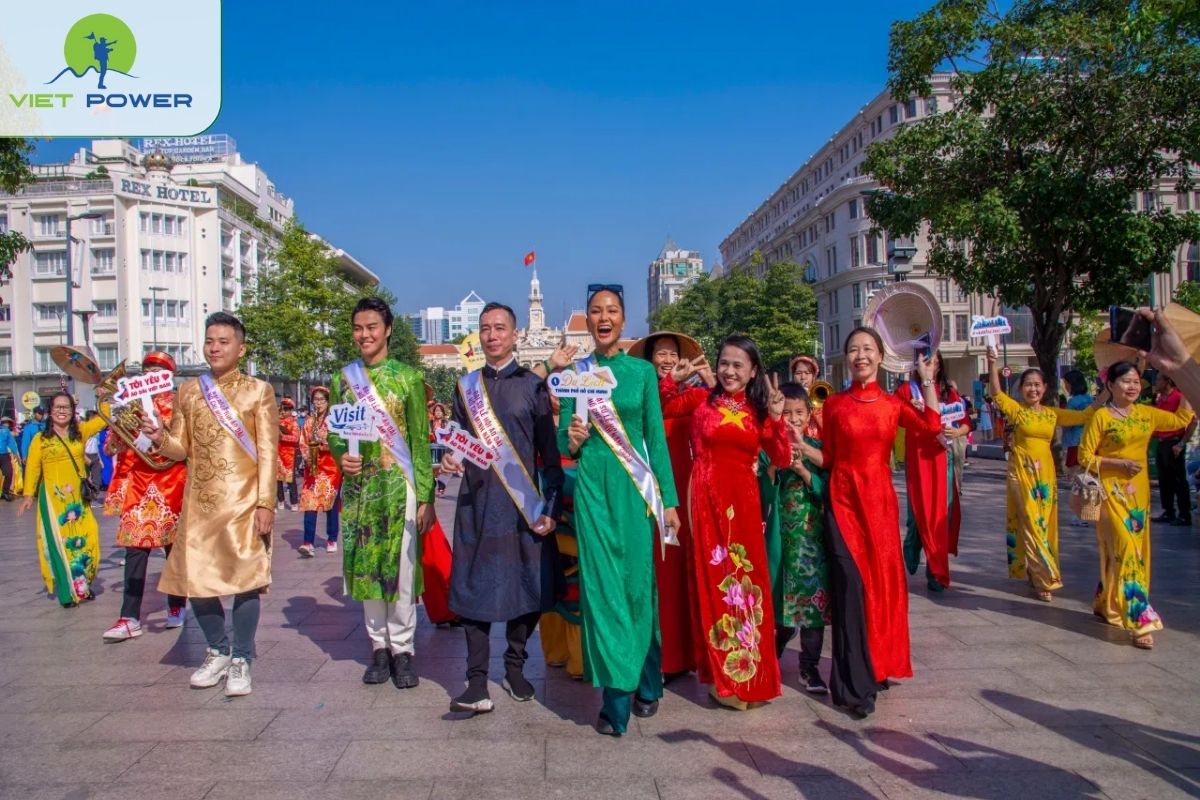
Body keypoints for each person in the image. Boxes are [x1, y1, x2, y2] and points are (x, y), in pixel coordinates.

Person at [556, 284, 681, 737]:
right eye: (594, 310)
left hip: (634, 488)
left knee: (636, 584)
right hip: (592, 486)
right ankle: (615, 700)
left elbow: (656, 439)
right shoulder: (577, 373)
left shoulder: (642, 373)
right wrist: (568, 438)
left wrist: (668, 500)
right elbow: (560, 439)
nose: (603, 317)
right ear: (587, 320)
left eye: (611, 310)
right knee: (603, 587)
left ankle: (648, 680)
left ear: (623, 321)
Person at [141, 312, 279, 697]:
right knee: (197, 582)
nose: (215, 347)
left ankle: (241, 658)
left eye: (223, 341)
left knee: (246, 581)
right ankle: (217, 649)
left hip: (243, 503)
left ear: (240, 347)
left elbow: (268, 452)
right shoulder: (188, 392)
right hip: (199, 505)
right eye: (209, 341)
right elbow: (179, 448)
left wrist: (265, 503)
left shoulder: (258, 391)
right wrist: (157, 436)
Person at [439, 302, 563, 714]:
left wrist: (551, 505)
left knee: (526, 588)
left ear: (514, 334)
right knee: (473, 590)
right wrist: (449, 457)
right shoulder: (465, 387)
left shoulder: (532, 386)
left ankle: (514, 666)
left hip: (521, 508)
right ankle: (476, 681)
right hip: (477, 504)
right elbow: (455, 438)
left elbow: (549, 456)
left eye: (499, 328)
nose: (492, 335)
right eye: (485, 329)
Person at [659, 335, 789, 710]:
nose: (730, 371)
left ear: (752, 372)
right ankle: (723, 680)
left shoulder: (759, 412)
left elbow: (779, 457)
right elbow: (663, 408)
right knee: (714, 588)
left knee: (749, 588)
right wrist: (675, 379)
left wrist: (778, 419)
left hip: (743, 510)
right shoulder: (701, 401)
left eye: (738, 365)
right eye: (725, 363)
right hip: (704, 505)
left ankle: (753, 678)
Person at [821, 327, 942, 718]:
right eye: (853, 349)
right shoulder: (833, 406)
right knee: (852, 588)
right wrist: (797, 445)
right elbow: (829, 459)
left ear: (880, 356)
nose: (860, 355)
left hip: (880, 507)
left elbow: (932, 428)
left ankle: (876, 665)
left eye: (868, 349)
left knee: (881, 587)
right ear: (846, 357)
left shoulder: (893, 405)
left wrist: (927, 384)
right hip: (842, 505)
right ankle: (853, 687)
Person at [329, 297, 435, 689]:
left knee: (403, 570)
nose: (364, 335)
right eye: (358, 328)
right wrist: (343, 457)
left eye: (372, 327)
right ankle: (378, 647)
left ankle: (404, 648)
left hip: (400, 487)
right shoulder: (344, 378)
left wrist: (425, 496)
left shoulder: (408, 379)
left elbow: (421, 442)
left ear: (388, 329)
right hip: (360, 489)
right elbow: (334, 433)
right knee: (366, 567)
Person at [1079, 360, 1194, 650]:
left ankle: (1106, 600)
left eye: (1136, 381)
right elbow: (1084, 457)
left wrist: (1189, 380)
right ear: (1110, 385)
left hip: (1138, 496)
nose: (1132, 386)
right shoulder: (1102, 417)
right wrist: (1116, 463)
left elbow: (1181, 420)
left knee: (1132, 552)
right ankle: (1140, 620)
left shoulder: (1147, 414)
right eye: (1125, 381)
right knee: (1127, 551)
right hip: (1109, 494)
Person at [986, 348, 1101, 602]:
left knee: (1044, 525)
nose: (1033, 390)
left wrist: (1109, 389)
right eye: (1028, 385)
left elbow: (1086, 415)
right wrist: (992, 362)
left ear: (1045, 387)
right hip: (1021, 474)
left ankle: (1034, 569)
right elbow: (996, 393)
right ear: (1022, 389)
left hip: (1045, 477)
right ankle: (1044, 578)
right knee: (1031, 524)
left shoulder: (1052, 414)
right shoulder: (1017, 411)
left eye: (1037, 385)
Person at [632, 330, 713, 679]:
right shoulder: (640, 394)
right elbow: (650, 411)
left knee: (684, 571)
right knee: (658, 571)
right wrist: (668, 384)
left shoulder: (695, 396)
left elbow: (722, 408)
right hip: (650, 491)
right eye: (659, 354)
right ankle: (659, 657)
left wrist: (711, 380)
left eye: (671, 354)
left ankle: (686, 655)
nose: (666, 360)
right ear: (648, 360)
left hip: (685, 489)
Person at [102, 351, 189, 642]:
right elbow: (112, 449)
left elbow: (181, 441)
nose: (151, 375)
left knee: (173, 550)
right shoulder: (131, 403)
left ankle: (177, 605)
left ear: (168, 375)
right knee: (135, 550)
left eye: (158, 371)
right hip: (140, 483)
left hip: (171, 480)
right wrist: (117, 423)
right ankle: (129, 617)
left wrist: (159, 430)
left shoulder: (177, 403)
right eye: (148, 370)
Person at [18, 392, 109, 606]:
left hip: (78, 499)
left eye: (66, 407)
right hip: (53, 500)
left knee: (88, 538)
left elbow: (105, 416)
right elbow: (32, 467)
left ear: (72, 410)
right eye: (57, 407)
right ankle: (68, 593)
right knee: (60, 544)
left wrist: (103, 398)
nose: (62, 411)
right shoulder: (41, 440)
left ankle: (83, 583)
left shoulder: (81, 433)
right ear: (50, 411)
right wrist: (28, 495)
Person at [775, 382, 830, 694]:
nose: (792, 419)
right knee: (782, 612)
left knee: (813, 611)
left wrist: (805, 471)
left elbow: (828, 491)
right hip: (781, 542)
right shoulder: (769, 447)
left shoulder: (816, 449)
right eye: (786, 413)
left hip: (812, 543)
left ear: (809, 414)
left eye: (798, 413)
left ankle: (810, 668)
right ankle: (774, 651)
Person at [894, 352, 964, 591]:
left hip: (942, 457)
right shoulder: (906, 391)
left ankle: (936, 569)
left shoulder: (948, 391)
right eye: (927, 362)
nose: (931, 366)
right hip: (918, 458)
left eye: (935, 362)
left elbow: (965, 422)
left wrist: (958, 431)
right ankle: (913, 541)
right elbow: (896, 419)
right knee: (917, 513)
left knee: (941, 515)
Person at [298, 386, 342, 557]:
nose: (318, 403)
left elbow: (340, 442)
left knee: (330, 504)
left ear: (328, 401)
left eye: (321, 400)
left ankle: (332, 538)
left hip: (330, 467)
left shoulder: (334, 421)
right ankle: (308, 542)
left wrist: (325, 441)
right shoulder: (309, 421)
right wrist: (307, 455)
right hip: (313, 467)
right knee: (309, 503)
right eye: (315, 400)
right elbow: (303, 441)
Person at [1152, 373, 1194, 527]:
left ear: (1167, 381)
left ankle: (1184, 514)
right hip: (1162, 441)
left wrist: (1182, 443)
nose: (1155, 382)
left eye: (1158, 380)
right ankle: (1168, 511)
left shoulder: (1179, 398)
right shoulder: (1161, 399)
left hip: (1174, 442)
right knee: (1164, 479)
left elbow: (1192, 421)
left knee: (1178, 481)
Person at [790, 355, 824, 436]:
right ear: (793, 375)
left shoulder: (822, 397)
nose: (803, 377)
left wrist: (815, 406)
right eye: (798, 373)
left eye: (807, 373)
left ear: (814, 376)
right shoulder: (787, 396)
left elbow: (829, 427)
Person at [277, 398, 300, 511]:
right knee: (278, 479)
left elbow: (296, 439)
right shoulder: (277, 421)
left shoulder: (294, 423)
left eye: (286, 409)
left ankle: (294, 502)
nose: (283, 411)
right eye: (282, 409)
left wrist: (282, 437)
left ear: (291, 410)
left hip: (289, 454)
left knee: (290, 479)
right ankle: (280, 500)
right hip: (278, 453)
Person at [0, 417, 19, 500]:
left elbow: (11, 443)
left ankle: (5, 492)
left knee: (8, 473)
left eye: (8, 423)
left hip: (4, 455)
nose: (7, 424)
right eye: (5, 422)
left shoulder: (6, 431)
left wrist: (15, 453)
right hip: (3, 455)